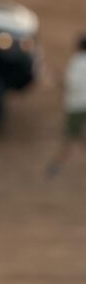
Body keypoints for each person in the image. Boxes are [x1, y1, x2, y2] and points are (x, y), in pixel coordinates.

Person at [47, 35, 86, 178]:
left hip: (76, 106)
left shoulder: (76, 63)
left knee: (69, 137)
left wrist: (56, 78)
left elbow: (70, 85)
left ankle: (56, 166)